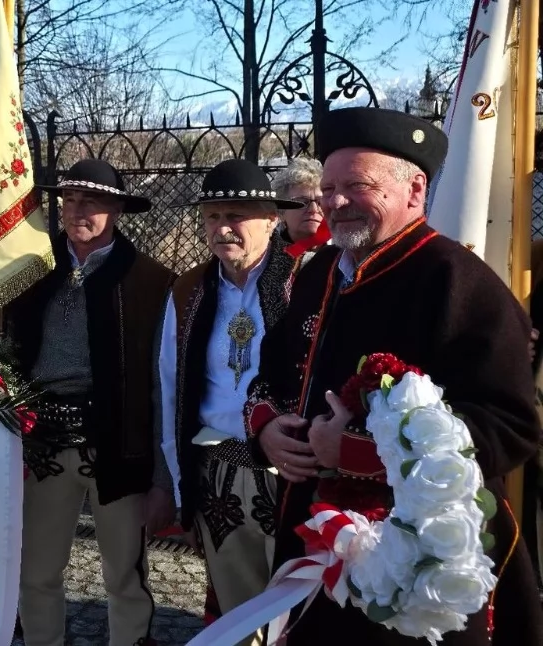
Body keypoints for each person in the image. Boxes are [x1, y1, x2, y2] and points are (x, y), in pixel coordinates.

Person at [245, 106, 543, 644]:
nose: (335, 202)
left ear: (415, 189)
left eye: (356, 186)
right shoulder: (317, 274)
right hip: (314, 540)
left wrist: (355, 450)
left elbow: (509, 425)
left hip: (417, 565)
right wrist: (266, 427)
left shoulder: (458, 281)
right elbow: (271, 372)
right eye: (328, 189)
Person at [4, 158, 174, 646]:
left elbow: (162, 383)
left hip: (117, 446)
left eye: (92, 201)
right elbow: (8, 354)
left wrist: (162, 480)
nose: (78, 210)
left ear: (117, 210)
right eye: (71, 199)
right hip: (42, 442)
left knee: (124, 574)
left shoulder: (151, 281)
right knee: (35, 570)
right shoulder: (33, 269)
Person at [158, 158, 304, 646]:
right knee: (239, 617)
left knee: (302, 612)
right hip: (219, 473)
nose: (223, 228)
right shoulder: (188, 291)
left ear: (271, 220)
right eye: (212, 217)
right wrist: (181, 485)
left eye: (236, 216)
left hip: (292, 473)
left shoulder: (305, 282)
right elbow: (171, 387)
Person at [271, 157, 330, 265]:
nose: (313, 209)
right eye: (302, 202)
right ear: (281, 211)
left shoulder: (345, 252)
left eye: (320, 202)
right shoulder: (265, 254)